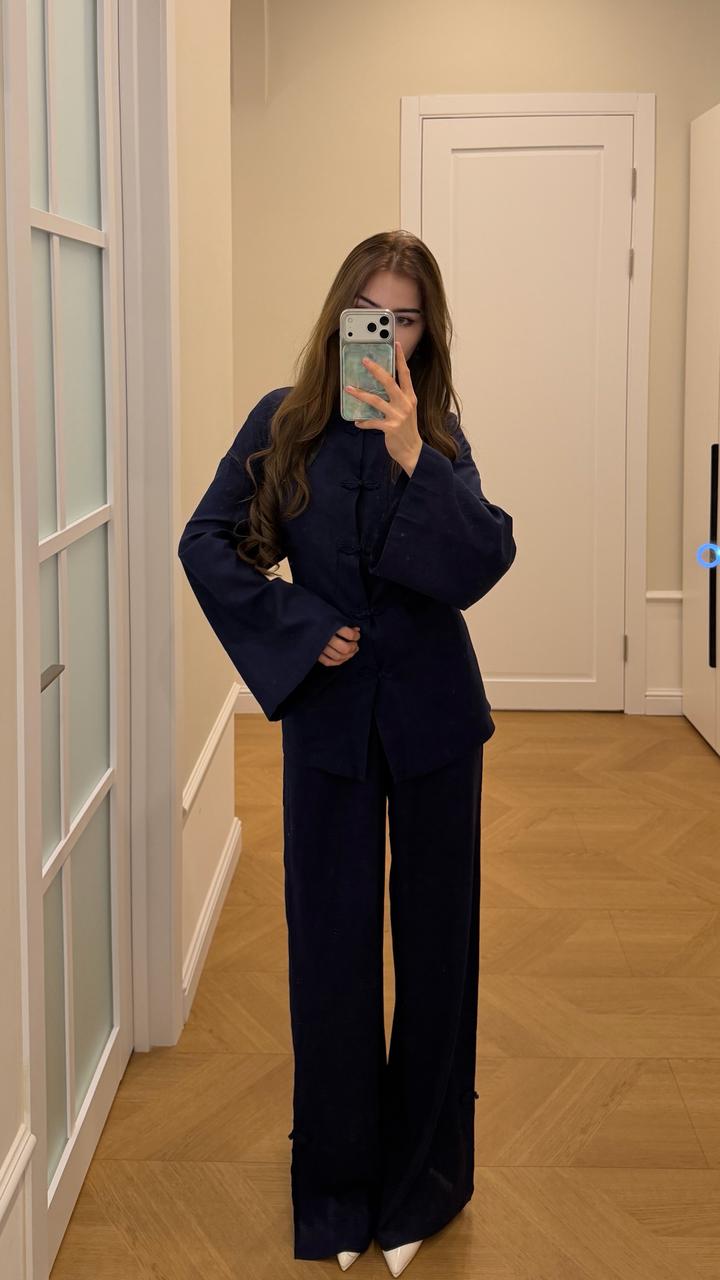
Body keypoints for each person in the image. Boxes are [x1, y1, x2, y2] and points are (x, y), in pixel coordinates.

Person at [177, 229, 516, 1275]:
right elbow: (207, 539)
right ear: (338, 317)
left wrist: (416, 455)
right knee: (327, 950)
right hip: (329, 718)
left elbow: (484, 557)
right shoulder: (281, 423)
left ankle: (425, 1181)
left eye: (406, 318)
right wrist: (295, 623)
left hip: (434, 719)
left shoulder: (438, 432)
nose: (387, 335)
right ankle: (334, 1190)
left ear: (427, 331)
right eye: (371, 314)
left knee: (439, 948)